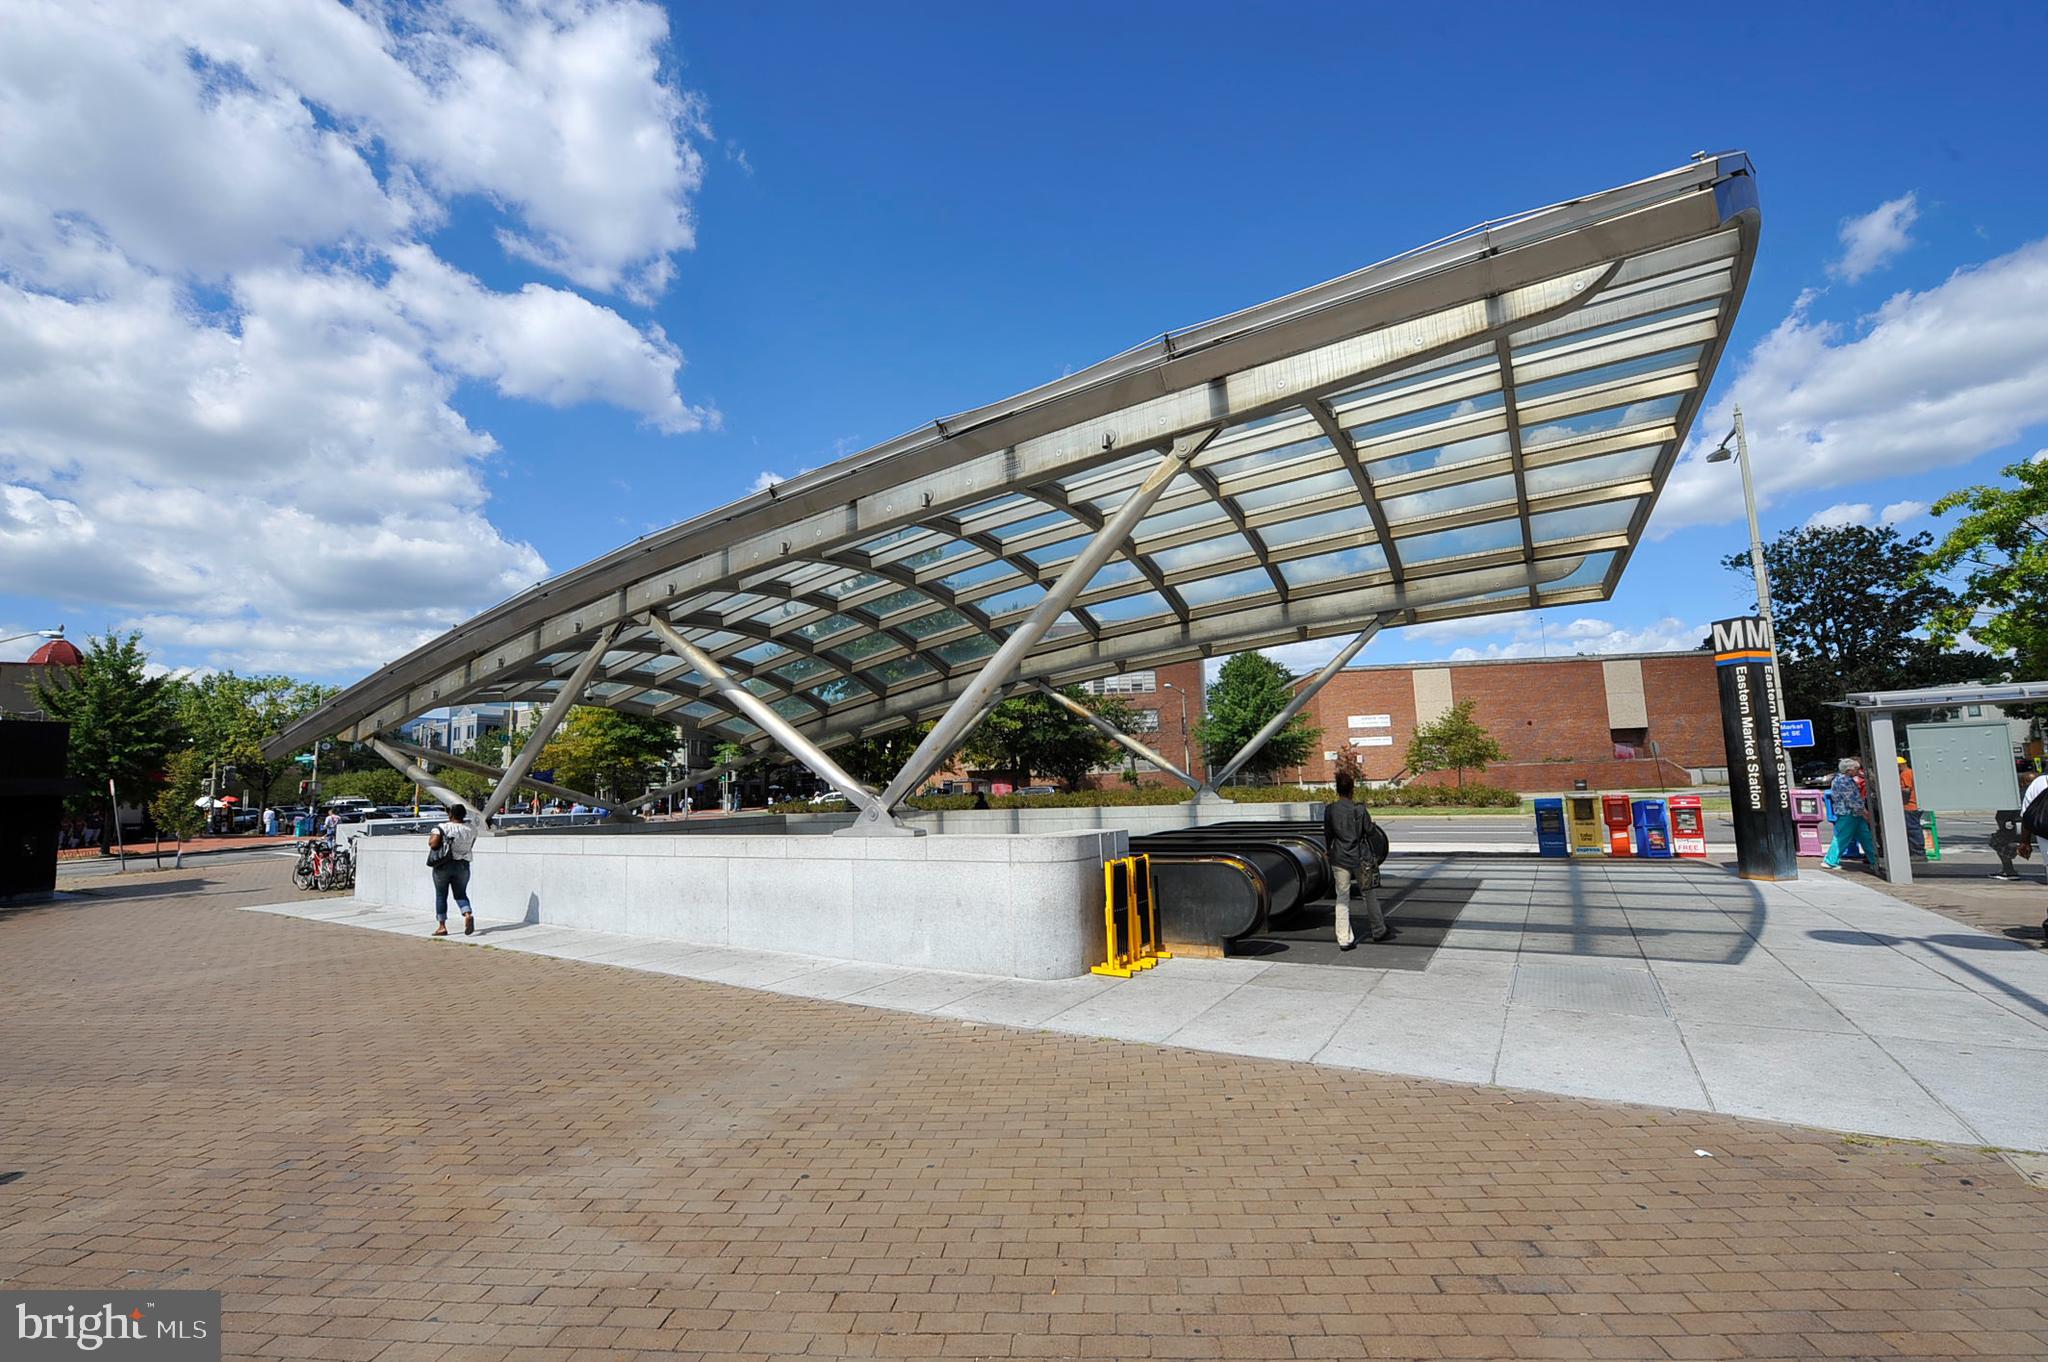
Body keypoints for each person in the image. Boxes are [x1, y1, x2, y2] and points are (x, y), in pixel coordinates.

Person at [1321, 770, 1392, 950]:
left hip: (1340, 858)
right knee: (1369, 894)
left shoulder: (1330, 810)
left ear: (1337, 790)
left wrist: (1329, 851)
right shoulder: (1359, 809)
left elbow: (1328, 835)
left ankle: (1344, 939)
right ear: (1352, 789)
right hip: (1360, 859)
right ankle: (1378, 930)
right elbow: (1370, 831)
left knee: (1342, 897)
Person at [427, 802, 478, 936]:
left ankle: (442, 926)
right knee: (461, 893)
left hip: (443, 864)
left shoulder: (442, 827)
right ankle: (467, 914)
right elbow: (471, 845)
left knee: (441, 895)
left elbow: (432, 844)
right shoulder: (471, 829)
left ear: (450, 814)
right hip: (463, 864)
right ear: (464, 815)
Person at [1822, 757, 1872, 870]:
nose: (1858, 772)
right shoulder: (1845, 781)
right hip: (1849, 814)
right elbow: (1852, 800)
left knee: (1865, 836)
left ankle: (1874, 859)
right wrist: (1865, 813)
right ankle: (1830, 860)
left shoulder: (1838, 779)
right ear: (1849, 770)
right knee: (1842, 837)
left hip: (1852, 814)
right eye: (1856, 769)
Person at [1896, 756, 1925, 859]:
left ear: (1900, 765)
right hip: (1916, 804)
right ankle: (1917, 852)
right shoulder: (1912, 772)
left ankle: (1918, 853)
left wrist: (1896, 788)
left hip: (1910, 805)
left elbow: (1907, 790)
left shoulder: (1905, 774)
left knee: (1912, 829)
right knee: (1914, 828)